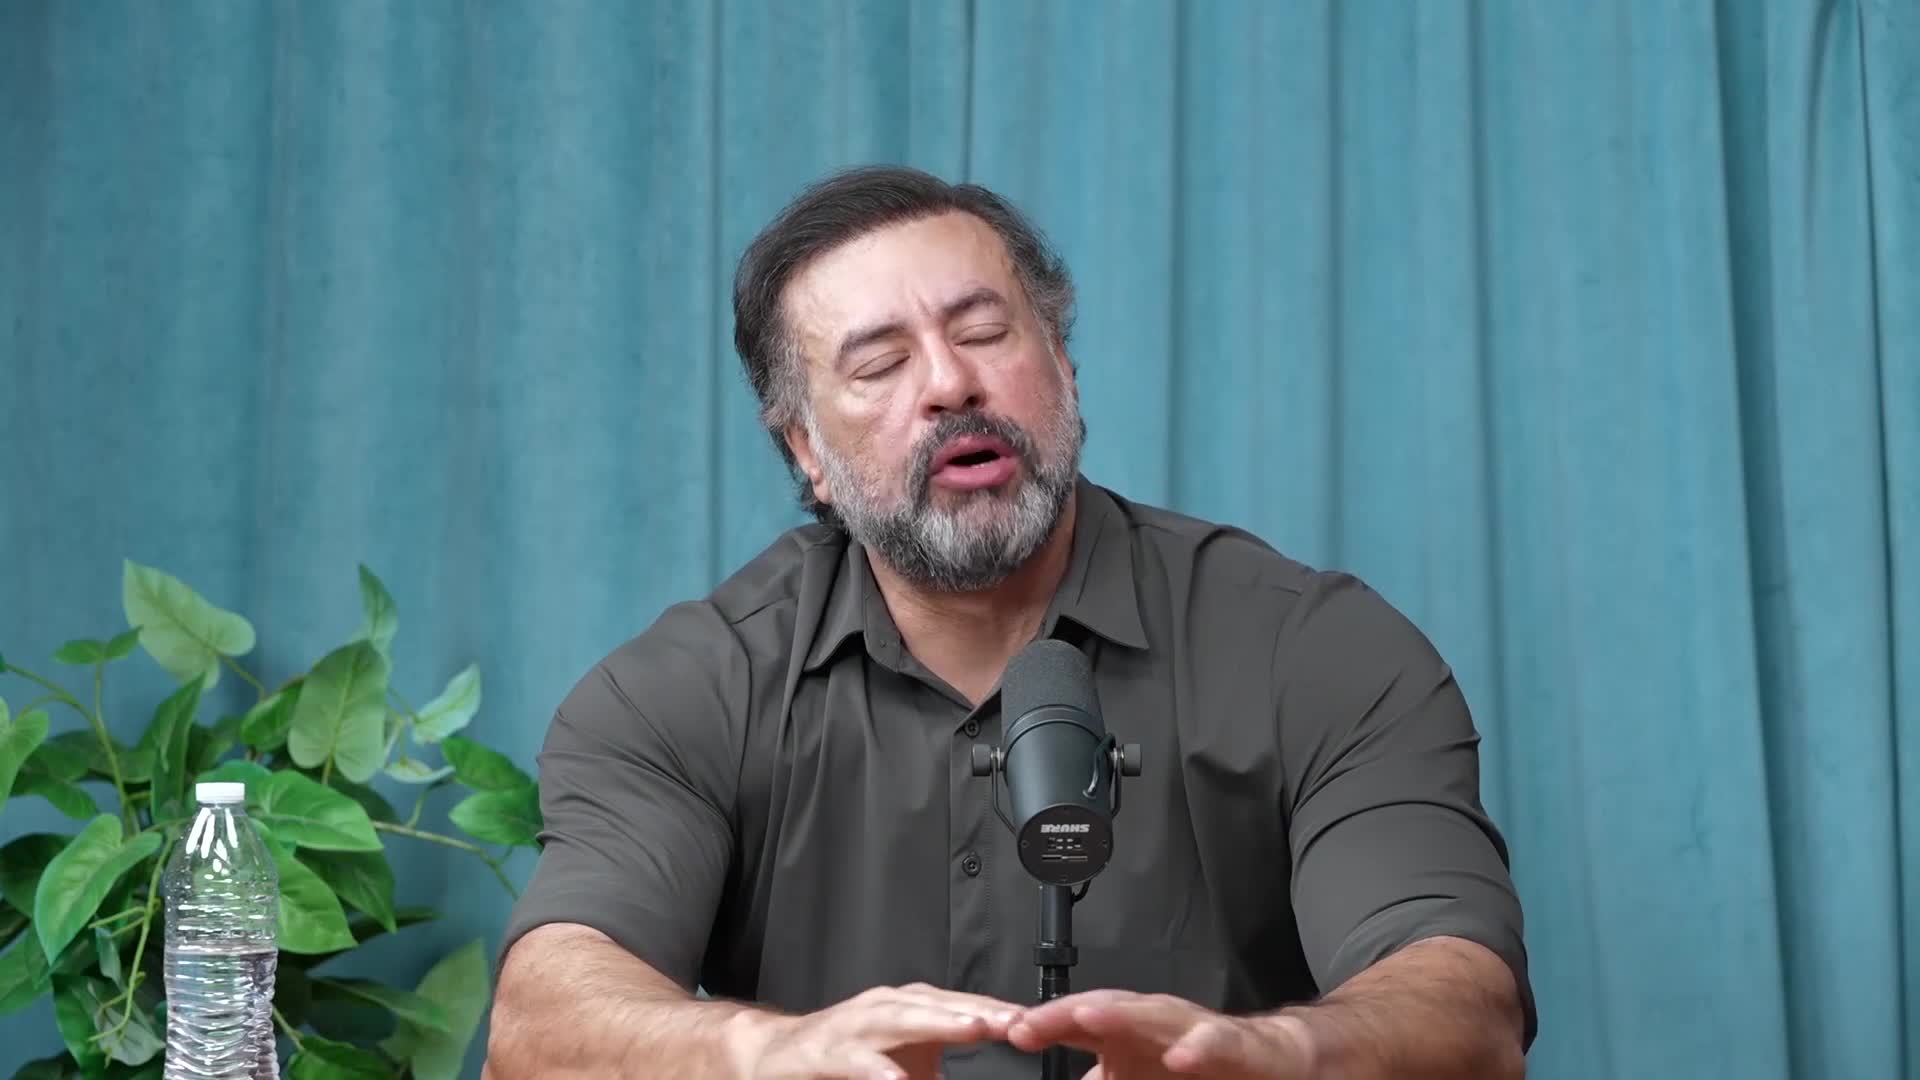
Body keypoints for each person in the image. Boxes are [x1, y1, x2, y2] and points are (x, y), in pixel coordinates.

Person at [483, 165, 1536, 1080]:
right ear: (805, 450)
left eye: (985, 331)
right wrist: (765, 1054)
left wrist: (1282, 1058)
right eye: (879, 364)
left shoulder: (1315, 650)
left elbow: (1466, 1012)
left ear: (1064, 369)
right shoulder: (679, 694)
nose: (949, 383)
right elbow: (540, 1032)